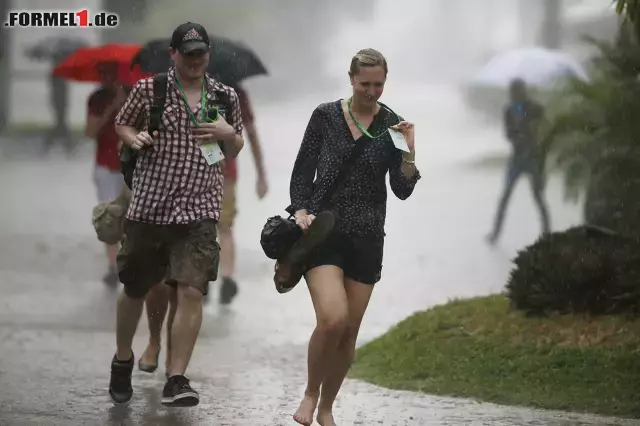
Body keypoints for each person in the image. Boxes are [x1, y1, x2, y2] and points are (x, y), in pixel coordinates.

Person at [108, 22, 244, 407]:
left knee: (191, 291)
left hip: (200, 210)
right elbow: (123, 123)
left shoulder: (222, 95)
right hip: (150, 207)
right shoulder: (151, 90)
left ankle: (177, 377)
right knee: (134, 289)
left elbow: (233, 149)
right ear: (173, 54)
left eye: (201, 52)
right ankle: (122, 359)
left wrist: (226, 133)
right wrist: (134, 138)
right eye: (188, 53)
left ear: (208, 54)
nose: (196, 59)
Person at [284, 48, 420, 426]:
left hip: (367, 236)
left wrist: (409, 152)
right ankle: (310, 395)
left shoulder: (392, 123)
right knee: (333, 319)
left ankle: (327, 407)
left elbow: (402, 190)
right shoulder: (325, 116)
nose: (372, 91)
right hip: (323, 231)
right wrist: (300, 209)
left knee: (348, 334)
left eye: (379, 84)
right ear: (351, 79)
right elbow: (302, 172)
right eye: (365, 84)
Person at [214, 84, 268, 305]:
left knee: (204, 226)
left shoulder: (195, 89)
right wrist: (261, 173)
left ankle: (209, 279)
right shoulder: (235, 93)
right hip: (224, 171)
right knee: (224, 227)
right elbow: (251, 133)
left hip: (198, 171)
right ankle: (226, 277)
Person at [486, 78, 551, 244]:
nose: (513, 95)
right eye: (512, 92)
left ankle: (547, 233)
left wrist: (534, 131)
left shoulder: (536, 109)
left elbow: (545, 130)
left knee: (538, 196)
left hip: (533, 158)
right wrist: (519, 133)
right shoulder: (508, 110)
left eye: (516, 91)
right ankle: (495, 233)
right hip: (516, 158)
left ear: (523, 91)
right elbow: (508, 134)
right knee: (505, 196)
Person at [84, 62, 127, 286]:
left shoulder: (137, 96)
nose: (108, 79)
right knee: (109, 218)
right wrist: (111, 109)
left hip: (131, 168)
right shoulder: (97, 99)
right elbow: (90, 132)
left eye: (112, 74)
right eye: (104, 75)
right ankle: (113, 265)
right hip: (105, 167)